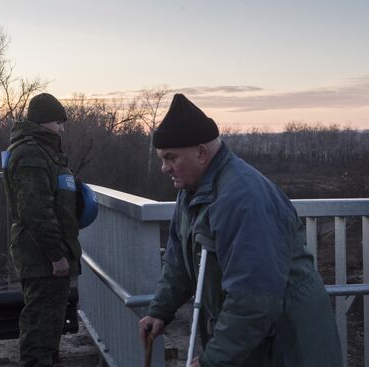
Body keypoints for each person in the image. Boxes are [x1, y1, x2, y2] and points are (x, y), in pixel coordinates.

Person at [139, 94, 343, 367]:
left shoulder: (243, 199)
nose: (164, 168)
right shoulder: (192, 191)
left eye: (170, 157)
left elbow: (254, 299)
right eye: (162, 158)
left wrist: (212, 360)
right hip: (257, 339)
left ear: (201, 152)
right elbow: (178, 259)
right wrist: (161, 311)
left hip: (287, 343)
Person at [3, 93, 82, 366]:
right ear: (44, 122)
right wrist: (56, 255)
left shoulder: (44, 152)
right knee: (39, 329)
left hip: (46, 256)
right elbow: (35, 211)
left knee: (49, 327)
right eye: (58, 122)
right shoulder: (31, 154)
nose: (61, 129)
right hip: (42, 259)